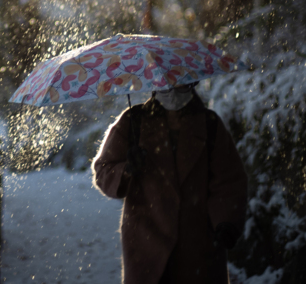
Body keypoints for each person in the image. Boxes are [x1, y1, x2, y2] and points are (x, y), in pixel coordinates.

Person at [92, 83, 248, 284]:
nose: (173, 91)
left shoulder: (210, 125)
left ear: (192, 82)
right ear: (154, 84)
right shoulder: (133, 122)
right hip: (146, 245)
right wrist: (127, 169)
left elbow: (229, 181)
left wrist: (226, 221)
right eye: (165, 84)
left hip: (199, 247)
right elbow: (104, 171)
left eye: (180, 84)